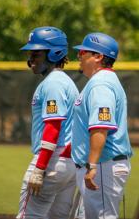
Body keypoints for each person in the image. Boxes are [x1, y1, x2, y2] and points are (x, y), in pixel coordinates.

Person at [16, 26, 80, 219]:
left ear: (54, 53)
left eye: (35, 54)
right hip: (69, 162)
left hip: (52, 160)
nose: (30, 60)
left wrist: (40, 168)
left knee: (30, 215)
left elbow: (53, 127)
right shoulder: (64, 81)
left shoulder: (54, 83)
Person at [71, 32, 133, 219]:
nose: (79, 57)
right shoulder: (102, 82)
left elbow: (100, 127)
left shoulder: (101, 85)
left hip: (102, 165)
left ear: (98, 56)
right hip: (101, 165)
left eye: (82, 52)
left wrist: (91, 166)